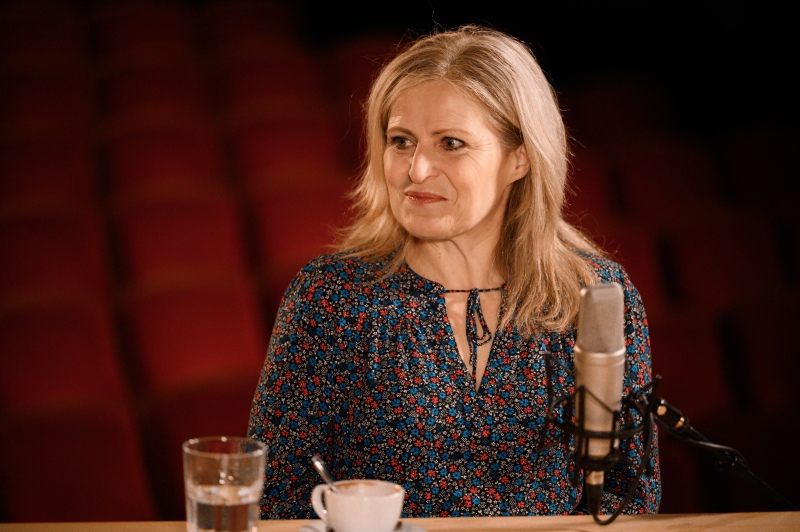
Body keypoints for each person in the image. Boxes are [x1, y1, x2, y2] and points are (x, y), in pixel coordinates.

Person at [247, 24, 660, 519]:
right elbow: (276, 494)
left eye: (451, 143)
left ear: (520, 158)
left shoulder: (595, 295)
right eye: (401, 141)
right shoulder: (332, 296)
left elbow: (631, 493)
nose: (417, 169)